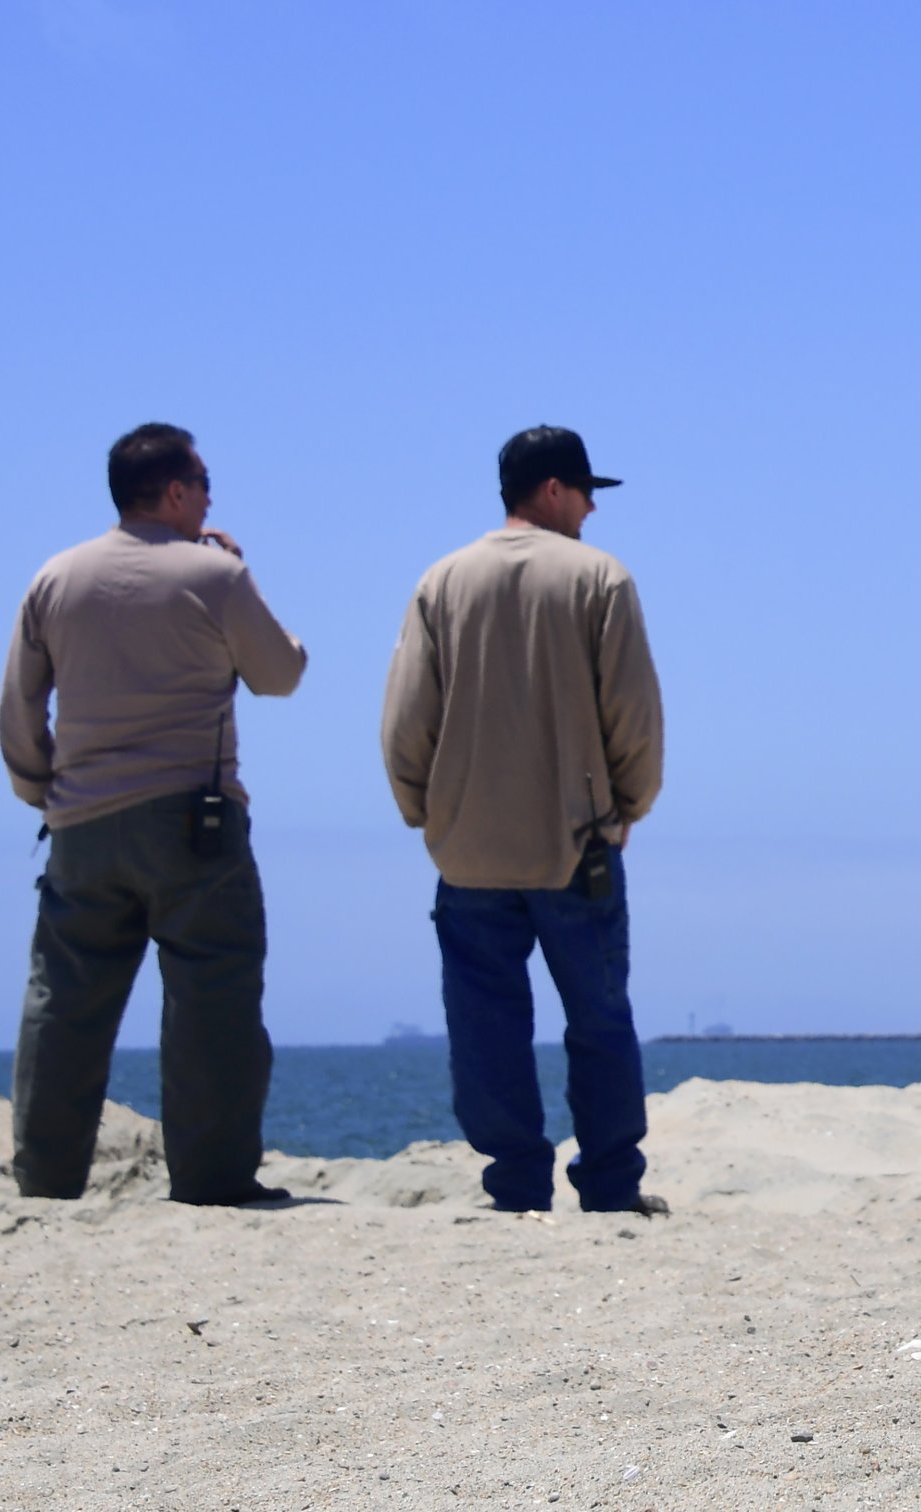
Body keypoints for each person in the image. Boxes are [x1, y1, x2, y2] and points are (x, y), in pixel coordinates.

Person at [0, 422, 307, 1206]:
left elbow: (19, 706)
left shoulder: (56, 577)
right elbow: (280, 674)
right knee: (213, 998)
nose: (209, 497)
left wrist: (43, 788)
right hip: (192, 823)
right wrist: (235, 569)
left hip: (80, 824)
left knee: (64, 1004)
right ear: (175, 492)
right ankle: (212, 1178)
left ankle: (45, 1176)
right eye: (203, 484)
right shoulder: (212, 575)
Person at [381, 425, 668, 1216]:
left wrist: (425, 812)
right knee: (599, 1020)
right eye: (584, 493)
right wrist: (629, 807)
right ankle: (610, 1186)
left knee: (486, 1029)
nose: (590, 510)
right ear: (551, 489)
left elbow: (407, 719)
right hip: (576, 843)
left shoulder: (442, 580)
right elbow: (633, 716)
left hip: (467, 848)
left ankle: (514, 1184)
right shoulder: (599, 578)